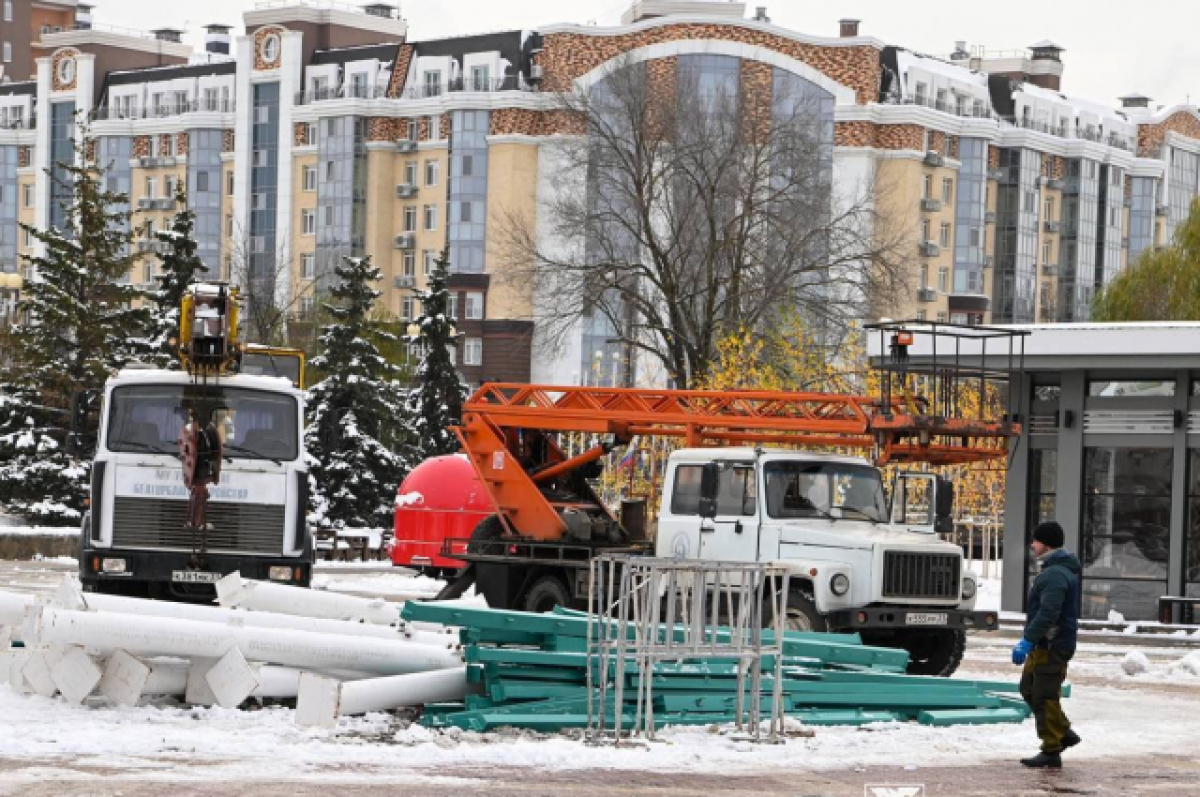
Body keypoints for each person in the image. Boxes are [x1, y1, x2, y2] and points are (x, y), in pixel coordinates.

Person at [1012, 520, 1082, 768]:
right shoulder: (1055, 570)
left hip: (1051, 645)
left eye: (1036, 540)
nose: (1032, 545)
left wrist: (1028, 640)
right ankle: (1063, 732)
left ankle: (1052, 749)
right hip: (1045, 644)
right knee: (1029, 688)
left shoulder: (1055, 574)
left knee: (1044, 695)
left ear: (1047, 543)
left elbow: (1048, 613)